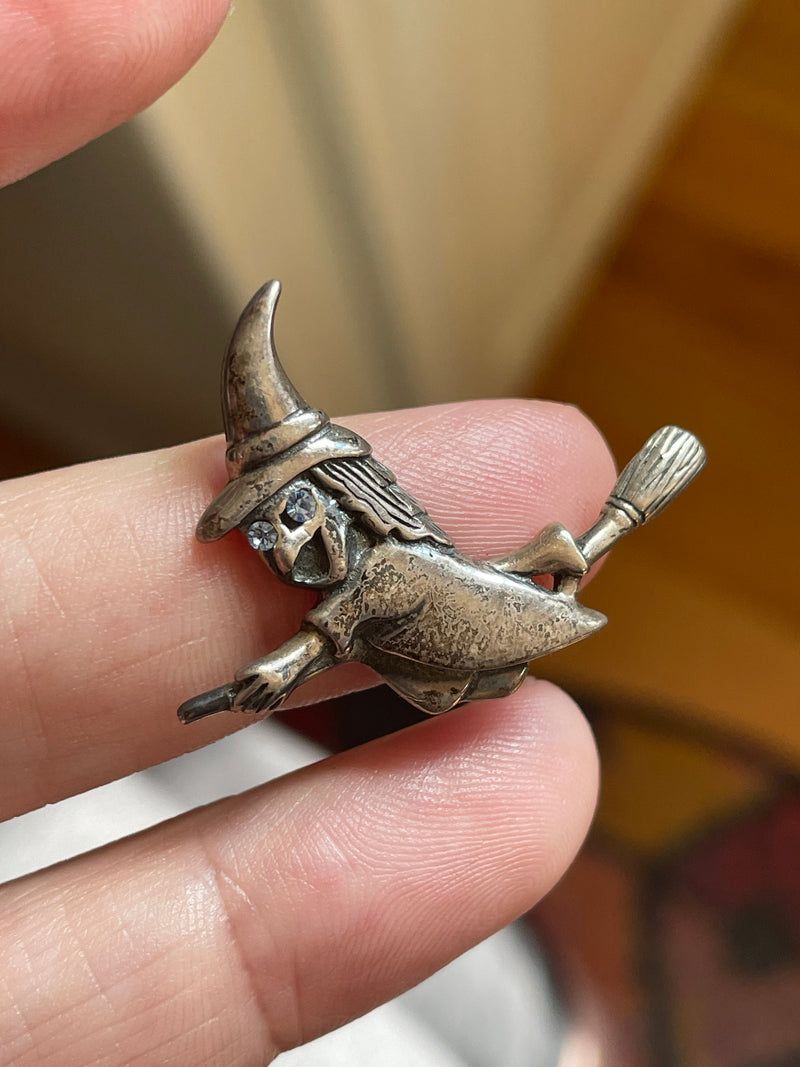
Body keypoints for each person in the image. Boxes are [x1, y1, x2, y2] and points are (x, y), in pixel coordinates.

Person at [0, 3, 612, 1062]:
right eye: (264, 535)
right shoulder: (376, 582)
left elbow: (320, 640)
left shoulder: (391, 574)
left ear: (344, 499)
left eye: (288, 516)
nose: (281, 551)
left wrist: (268, 674)